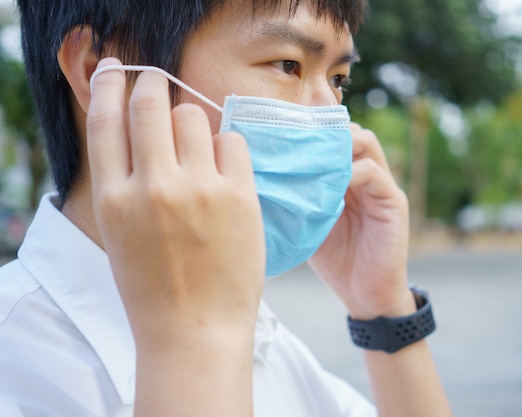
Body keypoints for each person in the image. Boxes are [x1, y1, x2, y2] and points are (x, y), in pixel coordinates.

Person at [0, 0, 453, 416]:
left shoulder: (263, 338)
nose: (330, 120)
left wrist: (384, 312)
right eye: (288, 65)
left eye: (338, 80)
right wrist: (191, 347)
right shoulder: (16, 358)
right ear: (102, 70)